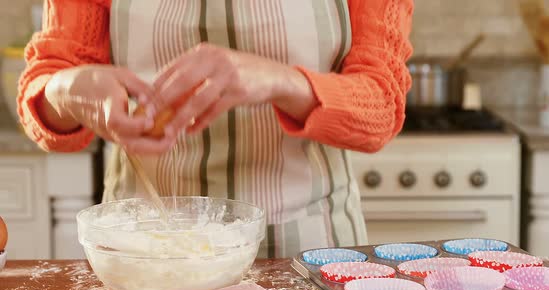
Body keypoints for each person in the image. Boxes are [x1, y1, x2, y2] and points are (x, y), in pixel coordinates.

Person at [18, 0, 413, 258]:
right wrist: (66, 91)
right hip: (143, 250)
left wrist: (283, 81)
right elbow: (46, 87)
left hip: (309, 250)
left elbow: (382, 104)